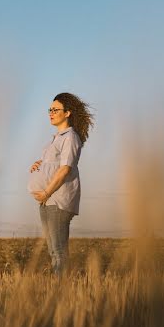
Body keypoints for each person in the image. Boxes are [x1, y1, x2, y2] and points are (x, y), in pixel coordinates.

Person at [28, 92, 94, 275]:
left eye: (55, 109)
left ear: (67, 113)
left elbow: (65, 169)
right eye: (50, 109)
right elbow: (53, 164)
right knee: (52, 251)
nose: (51, 112)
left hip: (57, 200)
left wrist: (47, 193)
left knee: (59, 251)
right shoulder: (56, 138)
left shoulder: (70, 137)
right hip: (46, 199)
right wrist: (39, 165)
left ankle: (62, 290)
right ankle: (58, 288)